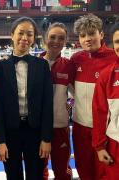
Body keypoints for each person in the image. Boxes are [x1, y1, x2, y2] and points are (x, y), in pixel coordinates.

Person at [0, 16, 53, 180]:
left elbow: (47, 104)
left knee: (36, 176)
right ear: (12, 34)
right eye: (20, 33)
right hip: (10, 133)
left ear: (34, 38)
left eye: (29, 34)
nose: (24, 38)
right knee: (13, 176)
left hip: (35, 132)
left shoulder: (42, 66)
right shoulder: (0, 66)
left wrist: (46, 138)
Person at [70, 14, 118, 180]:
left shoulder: (114, 58)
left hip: (106, 132)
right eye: (83, 36)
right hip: (80, 127)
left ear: (101, 34)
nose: (87, 39)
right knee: (83, 170)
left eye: (91, 34)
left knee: (105, 172)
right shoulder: (76, 59)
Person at [40, 22, 73, 180]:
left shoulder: (69, 66)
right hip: (37, 128)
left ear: (65, 42)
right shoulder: (34, 65)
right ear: (45, 38)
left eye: (61, 38)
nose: (56, 41)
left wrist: (69, 106)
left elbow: (78, 93)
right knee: (39, 171)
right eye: (52, 37)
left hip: (60, 127)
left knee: (62, 172)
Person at [92, 22, 119, 180]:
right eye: (117, 41)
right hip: (115, 145)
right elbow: (99, 113)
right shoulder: (106, 76)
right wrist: (100, 146)